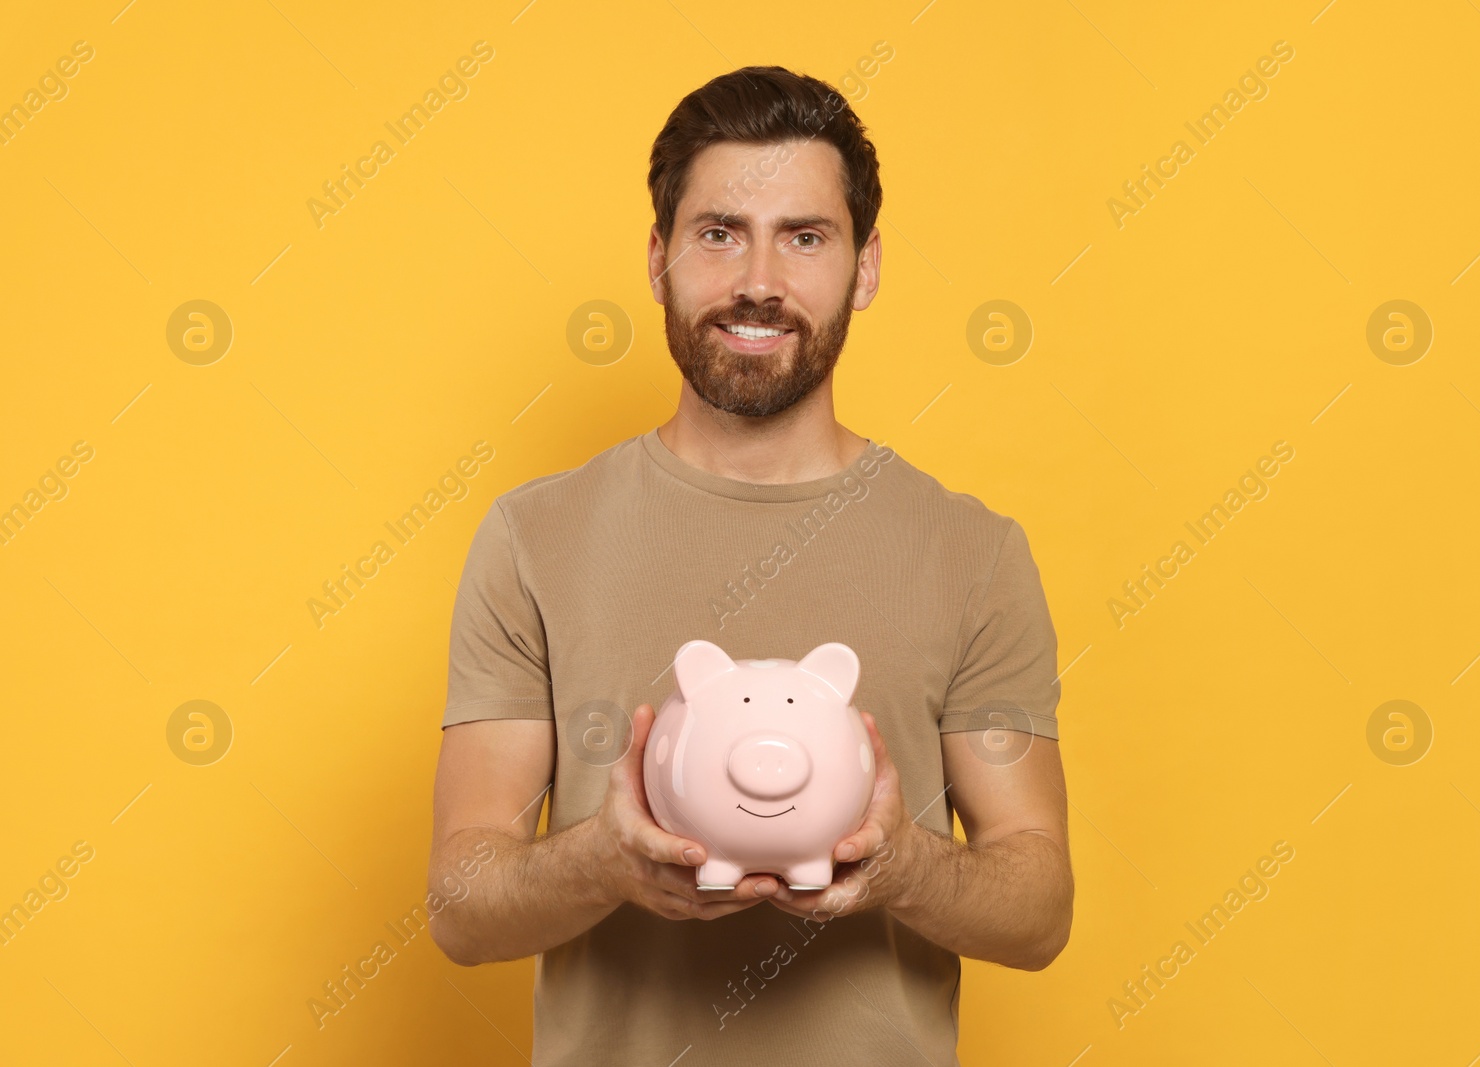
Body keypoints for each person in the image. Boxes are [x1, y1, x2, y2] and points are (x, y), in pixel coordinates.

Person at [427, 65, 1072, 1066]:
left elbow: (1036, 907)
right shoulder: (533, 536)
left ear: (863, 267)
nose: (758, 280)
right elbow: (462, 908)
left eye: (803, 237)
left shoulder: (972, 552)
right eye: (719, 232)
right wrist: (605, 859)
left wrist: (900, 866)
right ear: (658, 258)